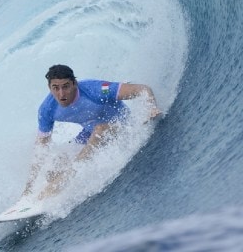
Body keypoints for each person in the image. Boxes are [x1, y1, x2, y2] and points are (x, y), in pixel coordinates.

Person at [22, 64, 161, 199]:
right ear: (49, 88)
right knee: (55, 166)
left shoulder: (96, 89)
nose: (61, 93)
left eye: (65, 87)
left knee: (100, 129)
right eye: (55, 88)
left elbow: (143, 89)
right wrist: (29, 186)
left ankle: (66, 178)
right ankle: (50, 198)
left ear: (74, 84)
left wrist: (151, 108)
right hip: (90, 133)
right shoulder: (47, 109)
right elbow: (41, 147)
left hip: (121, 125)